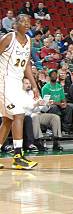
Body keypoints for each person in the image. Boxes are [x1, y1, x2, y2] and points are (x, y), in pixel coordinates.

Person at [0, 14, 40, 169]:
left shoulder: (29, 41)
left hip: (16, 84)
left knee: (8, 120)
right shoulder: (8, 38)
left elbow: (27, 66)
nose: (27, 24)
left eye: (29, 22)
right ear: (15, 24)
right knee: (19, 114)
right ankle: (18, 156)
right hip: (3, 82)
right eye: (23, 21)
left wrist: (34, 85)